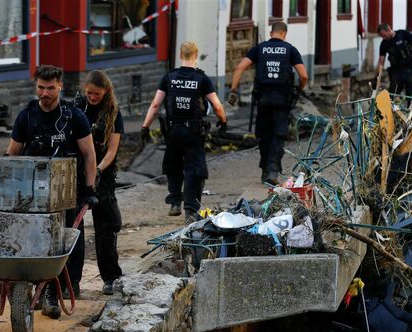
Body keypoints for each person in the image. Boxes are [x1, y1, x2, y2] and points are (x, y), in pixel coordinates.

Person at [7, 65, 97, 318]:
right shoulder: (27, 116)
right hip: (33, 193)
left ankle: (70, 287)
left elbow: (89, 155)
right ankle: (42, 288)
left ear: (60, 86)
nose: (44, 93)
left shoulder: (74, 116)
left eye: (50, 88)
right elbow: (12, 153)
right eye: (40, 88)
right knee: (35, 240)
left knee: (69, 239)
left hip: (68, 190)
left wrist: (89, 188)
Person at [141, 41, 227, 222]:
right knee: (194, 169)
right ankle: (190, 210)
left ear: (181, 55)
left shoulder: (169, 77)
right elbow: (217, 105)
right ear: (195, 56)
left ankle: (174, 202)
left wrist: (145, 126)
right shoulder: (202, 79)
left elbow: (155, 105)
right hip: (193, 131)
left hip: (172, 130)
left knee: (173, 165)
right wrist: (223, 121)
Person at [227, 21, 308, 184]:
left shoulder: (259, 48)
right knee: (279, 135)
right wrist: (299, 89)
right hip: (282, 100)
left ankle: (265, 170)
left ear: (271, 33)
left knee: (264, 135)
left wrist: (234, 90)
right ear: (284, 34)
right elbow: (303, 75)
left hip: (262, 100)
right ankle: (272, 170)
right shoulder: (290, 50)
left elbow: (239, 68)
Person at [74, 70, 123, 296]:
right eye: (89, 93)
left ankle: (111, 277)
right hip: (77, 173)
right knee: (74, 228)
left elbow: (112, 149)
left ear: (105, 92)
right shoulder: (77, 108)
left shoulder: (113, 113)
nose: (92, 97)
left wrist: (99, 170)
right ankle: (72, 281)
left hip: (103, 176)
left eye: (97, 94)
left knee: (106, 228)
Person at [376, 23, 412, 97]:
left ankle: (411, 107)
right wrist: (377, 77)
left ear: (389, 30)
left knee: (410, 92)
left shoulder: (403, 34)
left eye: (384, 35)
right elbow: (381, 62)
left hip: (410, 68)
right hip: (396, 71)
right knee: (392, 94)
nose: (384, 38)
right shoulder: (384, 44)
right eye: (382, 36)